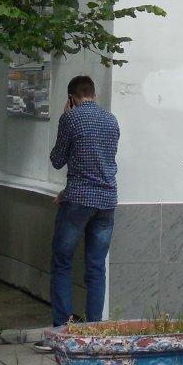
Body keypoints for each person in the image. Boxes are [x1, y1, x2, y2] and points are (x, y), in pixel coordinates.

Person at [38, 74, 119, 341]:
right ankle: (94, 331)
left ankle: (63, 329)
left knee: (62, 262)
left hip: (78, 201)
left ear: (71, 98)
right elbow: (101, 162)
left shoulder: (70, 118)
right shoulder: (111, 120)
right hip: (106, 201)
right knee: (96, 267)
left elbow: (57, 160)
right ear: (94, 95)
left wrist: (64, 118)